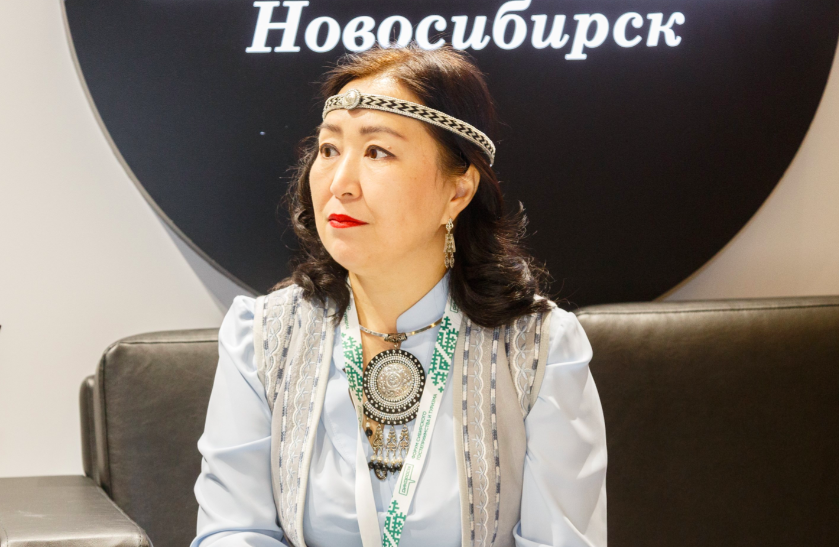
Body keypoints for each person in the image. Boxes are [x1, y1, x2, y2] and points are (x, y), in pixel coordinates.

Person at [190, 42, 607, 547]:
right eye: (329, 149)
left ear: (458, 191)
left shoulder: (538, 349)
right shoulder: (261, 338)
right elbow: (232, 532)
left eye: (377, 152)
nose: (340, 183)